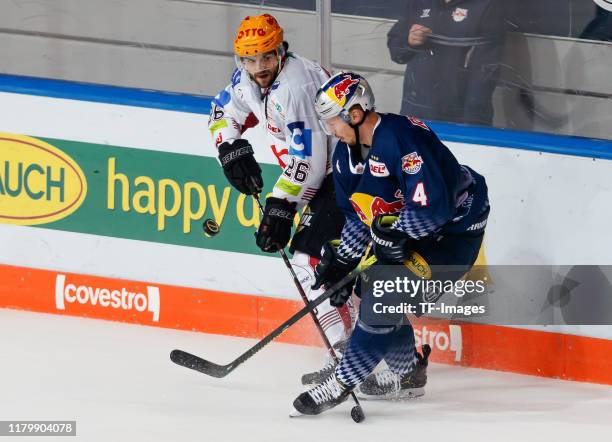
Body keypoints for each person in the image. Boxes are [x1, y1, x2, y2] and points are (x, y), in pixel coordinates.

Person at [291, 72, 490, 415]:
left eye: (331, 122)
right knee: (370, 290)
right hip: (416, 229)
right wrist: (343, 262)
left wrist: (390, 232)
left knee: (385, 293)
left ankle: (339, 384)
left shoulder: (404, 140)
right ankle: (408, 373)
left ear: (354, 114)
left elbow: (434, 211)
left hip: (454, 232)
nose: (330, 131)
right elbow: (358, 218)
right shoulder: (344, 158)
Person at [208, 14, 351, 382]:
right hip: (320, 179)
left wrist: (281, 205)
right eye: (250, 59)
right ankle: (353, 354)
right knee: (331, 267)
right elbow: (223, 111)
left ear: (280, 50)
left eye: (267, 57)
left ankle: (345, 357)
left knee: (308, 260)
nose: (259, 68)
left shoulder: (296, 87)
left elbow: (312, 162)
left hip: (347, 176)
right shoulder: (247, 78)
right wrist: (230, 148)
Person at [387, 0, 508, 126]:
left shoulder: (487, 6)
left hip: (458, 120)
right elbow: (396, 53)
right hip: (415, 115)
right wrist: (409, 41)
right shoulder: (420, 3)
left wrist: (472, 125)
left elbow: (485, 75)